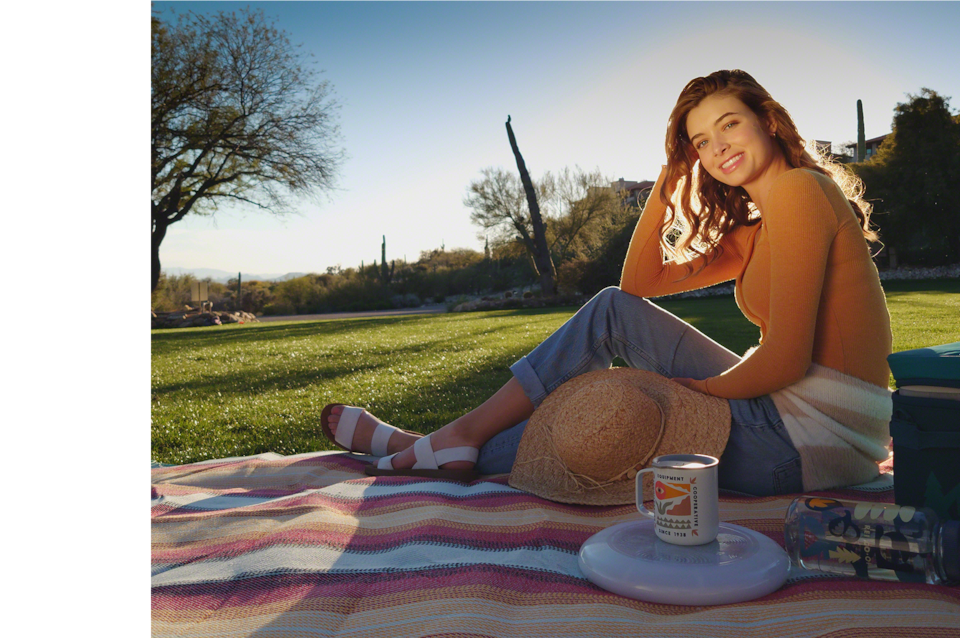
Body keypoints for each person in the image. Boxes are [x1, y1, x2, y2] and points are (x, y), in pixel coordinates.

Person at [321, 69, 893, 496]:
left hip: (804, 442)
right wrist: (671, 176)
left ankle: (435, 444)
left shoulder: (799, 190)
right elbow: (636, 284)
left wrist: (695, 392)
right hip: (803, 428)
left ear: (767, 120)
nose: (716, 147)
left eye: (729, 124)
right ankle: (447, 442)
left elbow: (787, 360)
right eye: (699, 141)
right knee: (613, 313)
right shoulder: (758, 228)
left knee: (623, 413)